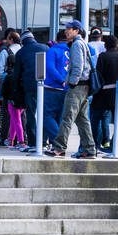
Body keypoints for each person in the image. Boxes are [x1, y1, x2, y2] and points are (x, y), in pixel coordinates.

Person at [46, 21, 98, 159]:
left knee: (67, 118)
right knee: (82, 120)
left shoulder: (76, 44)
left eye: (69, 29)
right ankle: (90, 150)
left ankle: (59, 148)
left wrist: (72, 83)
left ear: (77, 31)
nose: (66, 31)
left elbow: (78, 67)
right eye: (66, 29)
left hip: (78, 86)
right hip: (84, 86)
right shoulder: (82, 44)